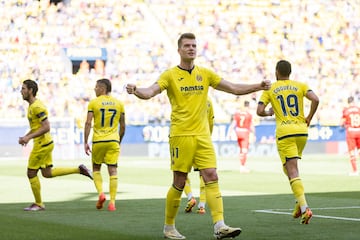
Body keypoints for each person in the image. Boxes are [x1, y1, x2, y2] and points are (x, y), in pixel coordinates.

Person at [126, 32, 270, 239]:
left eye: (193, 45)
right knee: (179, 180)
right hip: (181, 135)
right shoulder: (170, 75)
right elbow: (150, 92)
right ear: (179, 50)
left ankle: (219, 226)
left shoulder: (205, 73)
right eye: (187, 46)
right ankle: (169, 228)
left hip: (203, 136)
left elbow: (233, 88)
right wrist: (136, 90)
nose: (191, 48)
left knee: (211, 175)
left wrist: (258, 86)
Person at [256, 60, 319, 224]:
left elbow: (259, 111)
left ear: (276, 71)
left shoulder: (271, 89)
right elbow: (316, 99)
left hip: (285, 133)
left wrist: (269, 112)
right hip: (301, 132)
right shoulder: (301, 85)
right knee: (288, 167)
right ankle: (299, 201)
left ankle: (305, 208)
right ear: (290, 72)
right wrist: (309, 118)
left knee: (292, 171)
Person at [19, 79, 93, 211]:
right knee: (47, 173)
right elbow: (37, 127)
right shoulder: (32, 106)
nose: (21, 91)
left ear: (30, 90)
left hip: (42, 144)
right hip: (45, 142)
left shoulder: (37, 106)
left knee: (31, 173)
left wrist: (28, 137)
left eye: (24, 88)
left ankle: (39, 204)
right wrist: (27, 137)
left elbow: (46, 127)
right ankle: (79, 169)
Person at [84, 78, 126, 211]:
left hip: (98, 140)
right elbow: (123, 125)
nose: (95, 89)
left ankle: (101, 194)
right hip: (113, 140)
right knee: (113, 170)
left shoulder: (93, 103)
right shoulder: (119, 103)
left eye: (96, 87)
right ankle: (112, 202)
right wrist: (118, 140)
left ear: (102, 88)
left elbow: (88, 123)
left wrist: (85, 141)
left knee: (96, 168)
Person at [184, 97, 214, 215]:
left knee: (182, 173)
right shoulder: (209, 101)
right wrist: (207, 137)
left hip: (186, 138)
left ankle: (190, 197)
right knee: (204, 174)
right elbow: (211, 122)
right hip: (203, 139)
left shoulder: (186, 97)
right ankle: (202, 206)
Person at [229, 100, 254, 173]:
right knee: (244, 150)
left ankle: (241, 166)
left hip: (238, 132)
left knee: (240, 150)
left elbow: (233, 124)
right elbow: (252, 126)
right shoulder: (249, 115)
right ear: (248, 106)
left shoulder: (237, 114)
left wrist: (230, 133)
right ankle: (242, 167)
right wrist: (254, 134)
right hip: (245, 132)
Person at [341, 96, 360, 176]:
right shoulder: (358, 109)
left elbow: (341, 123)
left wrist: (344, 125)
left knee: (352, 152)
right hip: (359, 130)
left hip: (351, 132)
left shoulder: (346, 110)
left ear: (348, 102)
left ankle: (355, 171)